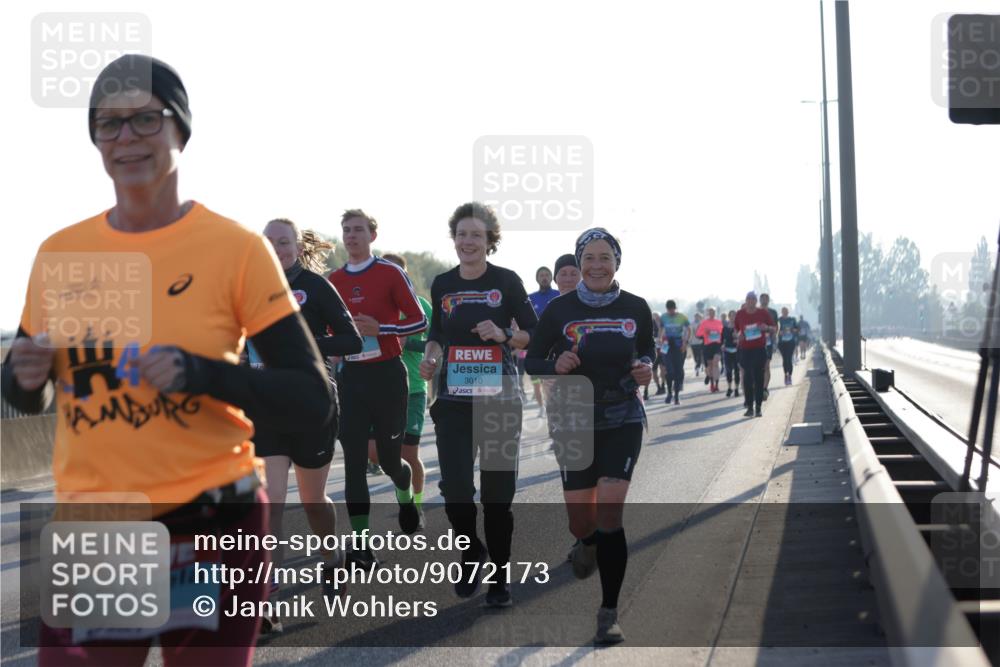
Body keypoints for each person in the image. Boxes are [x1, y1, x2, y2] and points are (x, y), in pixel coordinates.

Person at [1, 55, 335, 666]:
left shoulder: (235, 249)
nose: (126, 138)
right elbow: (25, 393)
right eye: (108, 124)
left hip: (211, 522)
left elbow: (312, 397)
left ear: (180, 129)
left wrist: (200, 373)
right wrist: (26, 380)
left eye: (146, 120)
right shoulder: (62, 253)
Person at [526, 227, 655, 645]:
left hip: (622, 416)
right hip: (572, 419)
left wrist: (645, 369)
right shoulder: (559, 310)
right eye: (590, 258)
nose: (597, 265)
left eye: (605, 257)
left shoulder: (635, 307)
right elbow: (532, 361)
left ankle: (608, 612)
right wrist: (555, 363)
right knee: (582, 520)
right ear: (579, 263)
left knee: (611, 516)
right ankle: (585, 541)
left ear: (617, 262)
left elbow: (647, 353)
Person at [419, 202, 537, 608]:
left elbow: (531, 335)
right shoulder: (443, 284)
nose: (468, 241)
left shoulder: (506, 281)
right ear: (453, 239)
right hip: (453, 398)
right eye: (462, 234)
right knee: (455, 489)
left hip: (500, 398)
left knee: (497, 494)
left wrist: (504, 332)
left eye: (476, 235)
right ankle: (471, 552)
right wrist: (431, 356)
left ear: (490, 242)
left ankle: (500, 578)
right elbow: (437, 333)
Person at [253, 219, 362, 631]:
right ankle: (268, 600)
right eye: (269, 243)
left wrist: (307, 346)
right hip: (266, 407)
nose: (277, 249)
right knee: (272, 506)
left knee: (314, 502)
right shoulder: (247, 287)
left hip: (313, 404)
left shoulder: (315, 287)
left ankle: (333, 558)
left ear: (298, 247)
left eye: (284, 242)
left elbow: (351, 340)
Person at [329, 209, 428, 565]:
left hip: (387, 375)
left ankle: (405, 496)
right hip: (352, 379)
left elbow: (418, 320)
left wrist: (382, 330)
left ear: (372, 235)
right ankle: (361, 545)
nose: (351, 236)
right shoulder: (333, 280)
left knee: (390, 460)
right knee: (355, 462)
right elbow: (328, 333)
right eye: (346, 230)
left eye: (358, 230)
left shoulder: (390, 273)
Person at [366, 253, 434, 512]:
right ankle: (403, 488)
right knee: (374, 453)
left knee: (408, 455)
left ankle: (414, 506)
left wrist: (410, 343)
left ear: (405, 276)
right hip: (379, 386)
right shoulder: (374, 306)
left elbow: (437, 342)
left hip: (414, 388)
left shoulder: (421, 306)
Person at [734, 292, 776, 417]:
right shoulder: (740, 314)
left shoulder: (762, 313)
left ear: (756, 301)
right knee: (747, 378)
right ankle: (749, 406)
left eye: (753, 299)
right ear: (746, 301)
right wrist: (738, 335)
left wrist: (767, 328)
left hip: (759, 349)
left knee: (758, 378)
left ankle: (758, 407)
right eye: (749, 299)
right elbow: (736, 329)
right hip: (745, 350)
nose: (751, 302)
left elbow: (774, 328)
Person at [526, 266, 559, 415]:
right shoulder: (530, 298)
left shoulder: (559, 295)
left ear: (552, 278)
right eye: (541, 275)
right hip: (537, 347)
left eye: (547, 275)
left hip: (557, 346)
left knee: (553, 383)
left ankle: (554, 412)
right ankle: (542, 408)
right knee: (537, 382)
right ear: (537, 278)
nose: (544, 277)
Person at [660, 300, 690, 405]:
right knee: (669, 371)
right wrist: (660, 339)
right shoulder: (663, 317)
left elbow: (688, 329)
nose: (670, 312)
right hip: (667, 346)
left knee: (678, 371)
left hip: (678, 345)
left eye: (672, 310)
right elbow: (661, 329)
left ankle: (676, 396)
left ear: (675, 308)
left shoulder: (682, 317)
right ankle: (669, 393)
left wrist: (685, 342)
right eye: (669, 310)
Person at [695, 307, 724, 393]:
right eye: (710, 312)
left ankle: (717, 385)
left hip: (717, 345)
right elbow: (698, 334)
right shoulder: (704, 323)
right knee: (710, 366)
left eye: (713, 312)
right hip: (708, 346)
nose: (712, 313)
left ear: (715, 313)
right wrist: (705, 332)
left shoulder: (719, 322)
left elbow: (723, 333)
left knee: (715, 363)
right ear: (708, 313)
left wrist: (720, 336)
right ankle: (712, 384)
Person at [759, 293, 779, 400]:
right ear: (760, 300)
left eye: (766, 299)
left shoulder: (773, 312)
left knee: (766, 366)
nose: (764, 301)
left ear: (768, 300)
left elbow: (775, 327)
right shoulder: (755, 312)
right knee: (758, 367)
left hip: (768, 343)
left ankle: (764, 388)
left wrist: (774, 337)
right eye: (762, 299)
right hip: (756, 343)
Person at [776, 307, 798, 386]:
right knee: (785, 359)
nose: (785, 312)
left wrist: (792, 330)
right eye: (783, 311)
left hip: (791, 342)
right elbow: (776, 330)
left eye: (786, 311)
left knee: (789, 358)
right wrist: (779, 332)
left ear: (788, 312)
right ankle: (786, 375)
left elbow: (797, 329)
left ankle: (790, 376)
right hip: (782, 343)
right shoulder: (779, 320)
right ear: (781, 312)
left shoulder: (792, 319)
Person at [722, 310, 741, 398]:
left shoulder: (739, 327)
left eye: (734, 315)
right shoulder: (725, 328)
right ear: (729, 317)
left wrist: (738, 339)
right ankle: (729, 388)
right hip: (727, 351)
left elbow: (743, 337)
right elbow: (721, 339)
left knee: (737, 371)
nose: (732, 317)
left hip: (737, 351)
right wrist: (722, 345)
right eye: (731, 316)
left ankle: (736, 389)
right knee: (729, 371)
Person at [690, 312, 705, 379]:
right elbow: (690, 332)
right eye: (696, 316)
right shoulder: (692, 323)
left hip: (701, 342)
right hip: (693, 342)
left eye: (698, 316)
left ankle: (698, 367)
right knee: (695, 355)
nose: (697, 317)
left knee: (699, 354)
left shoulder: (703, 323)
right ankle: (698, 364)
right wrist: (689, 340)